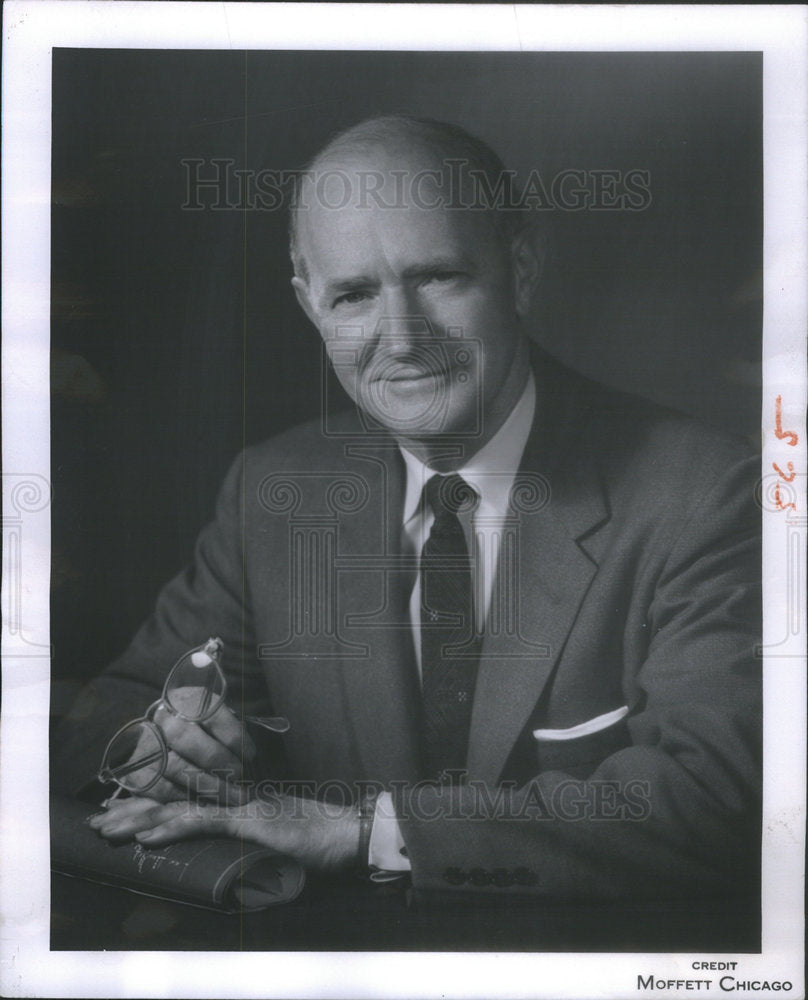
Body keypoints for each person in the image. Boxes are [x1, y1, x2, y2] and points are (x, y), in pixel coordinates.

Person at [52, 116, 761, 908]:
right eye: (353, 294)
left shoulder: (706, 491)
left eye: (436, 278)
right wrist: (158, 747)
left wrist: (364, 831)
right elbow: (104, 712)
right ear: (308, 304)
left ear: (521, 270)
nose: (401, 337)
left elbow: (718, 802)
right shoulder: (275, 491)